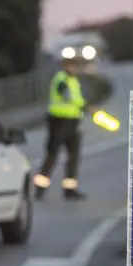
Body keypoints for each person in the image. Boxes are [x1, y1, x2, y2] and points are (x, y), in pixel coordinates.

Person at [33, 57, 91, 201]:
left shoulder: (73, 80)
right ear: (65, 66)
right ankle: (39, 188)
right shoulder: (61, 79)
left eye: (77, 66)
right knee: (53, 154)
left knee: (73, 156)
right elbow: (67, 96)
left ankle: (69, 189)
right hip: (59, 121)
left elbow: (75, 99)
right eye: (73, 66)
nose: (75, 69)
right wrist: (85, 106)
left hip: (72, 122)